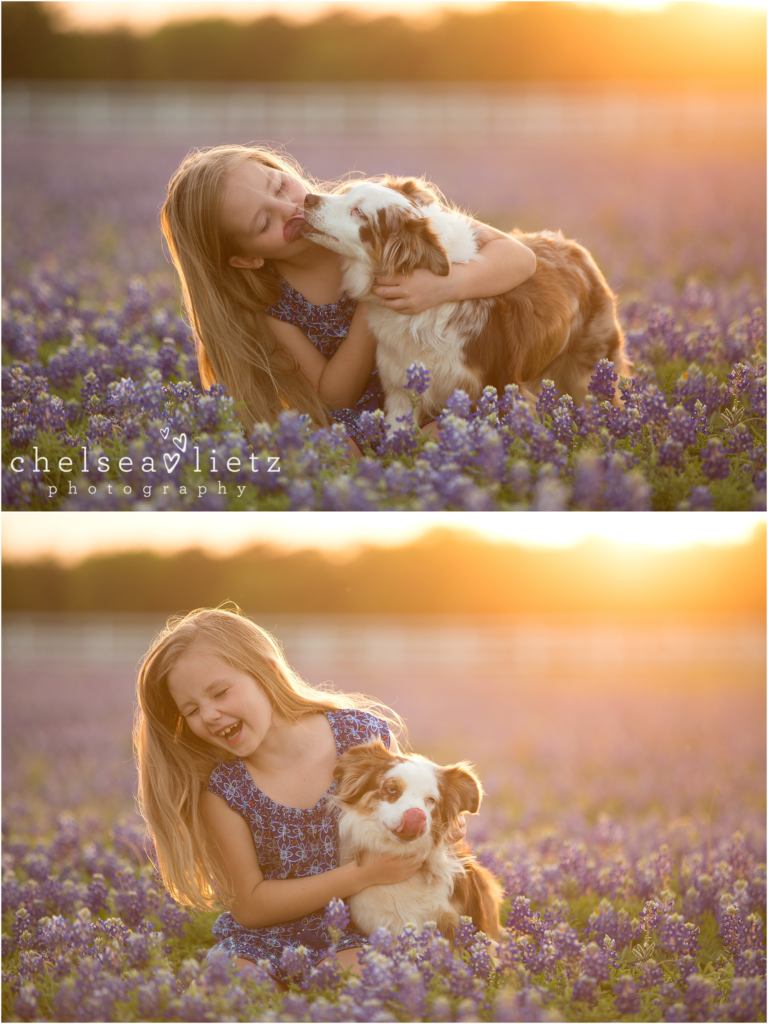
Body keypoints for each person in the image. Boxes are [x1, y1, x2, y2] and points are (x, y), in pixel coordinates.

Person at [160, 145, 537, 451]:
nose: (289, 209)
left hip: (438, 390)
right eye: (264, 223)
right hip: (360, 418)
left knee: (466, 422)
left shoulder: (374, 209)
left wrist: (448, 284)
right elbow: (334, 397)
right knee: (330, 448)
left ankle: (405, 457)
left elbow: (520, 258)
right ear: (247, 257)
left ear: (280, 167)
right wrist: (371, 302)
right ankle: (386, 470)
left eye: (278, 186)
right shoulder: (273, 301)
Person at [134, 605, 434, 987]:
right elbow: (250, 906)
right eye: (191, 710)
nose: (209, 714)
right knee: (224, 987)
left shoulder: (362, 739)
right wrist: (361, 874)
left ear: (266, 670)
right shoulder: (224, 791)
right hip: (264, 940)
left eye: (220, 692)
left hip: (365, 923)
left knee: (353, 978)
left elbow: (410, 818)